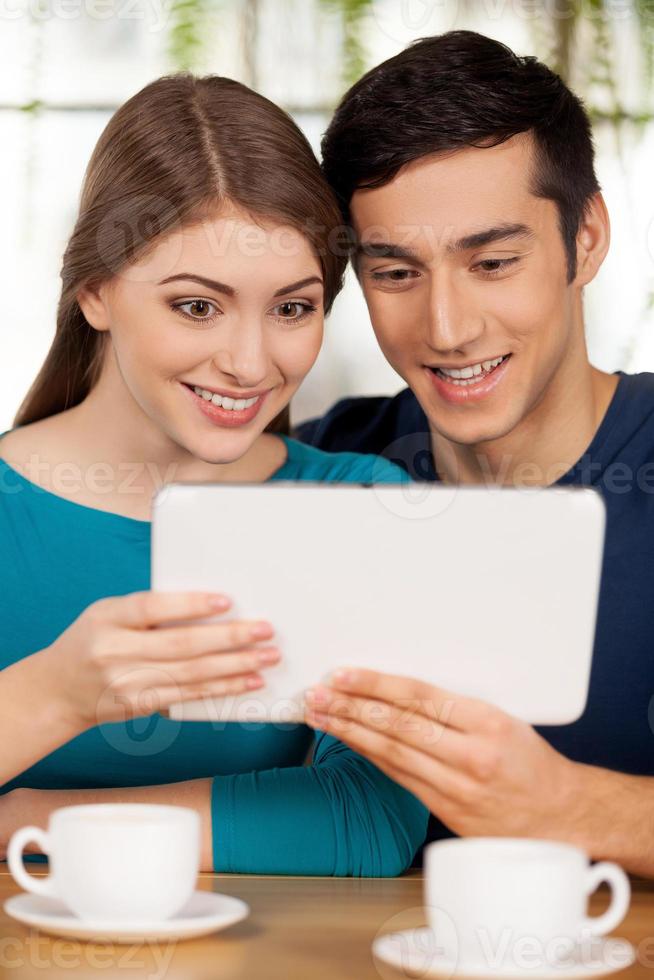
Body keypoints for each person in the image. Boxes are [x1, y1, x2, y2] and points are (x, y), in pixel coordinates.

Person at [0, 73, 429, 875]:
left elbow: (368, 818)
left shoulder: (358, 508)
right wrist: (54, 694)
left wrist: (29, 820)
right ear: (95, 289)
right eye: (197, 306)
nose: (247, 363)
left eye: (292, 308)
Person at [298, 31, 654, 876]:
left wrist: (567, 806)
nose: (448, 329)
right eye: (395, 274)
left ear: (587, 238)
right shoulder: (312, 475)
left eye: (492, 262)